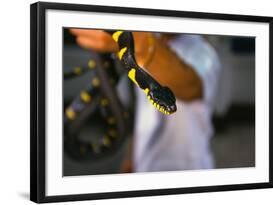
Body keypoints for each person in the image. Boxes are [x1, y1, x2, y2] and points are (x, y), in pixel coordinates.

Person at [70, 29, 221, 172]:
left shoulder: (204, 52)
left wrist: (143, 44)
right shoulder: (141, 63)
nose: (169, 109)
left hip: (190, 170)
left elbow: (192, 87)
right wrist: (130, 157)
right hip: (145, 167)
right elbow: (141, 114)